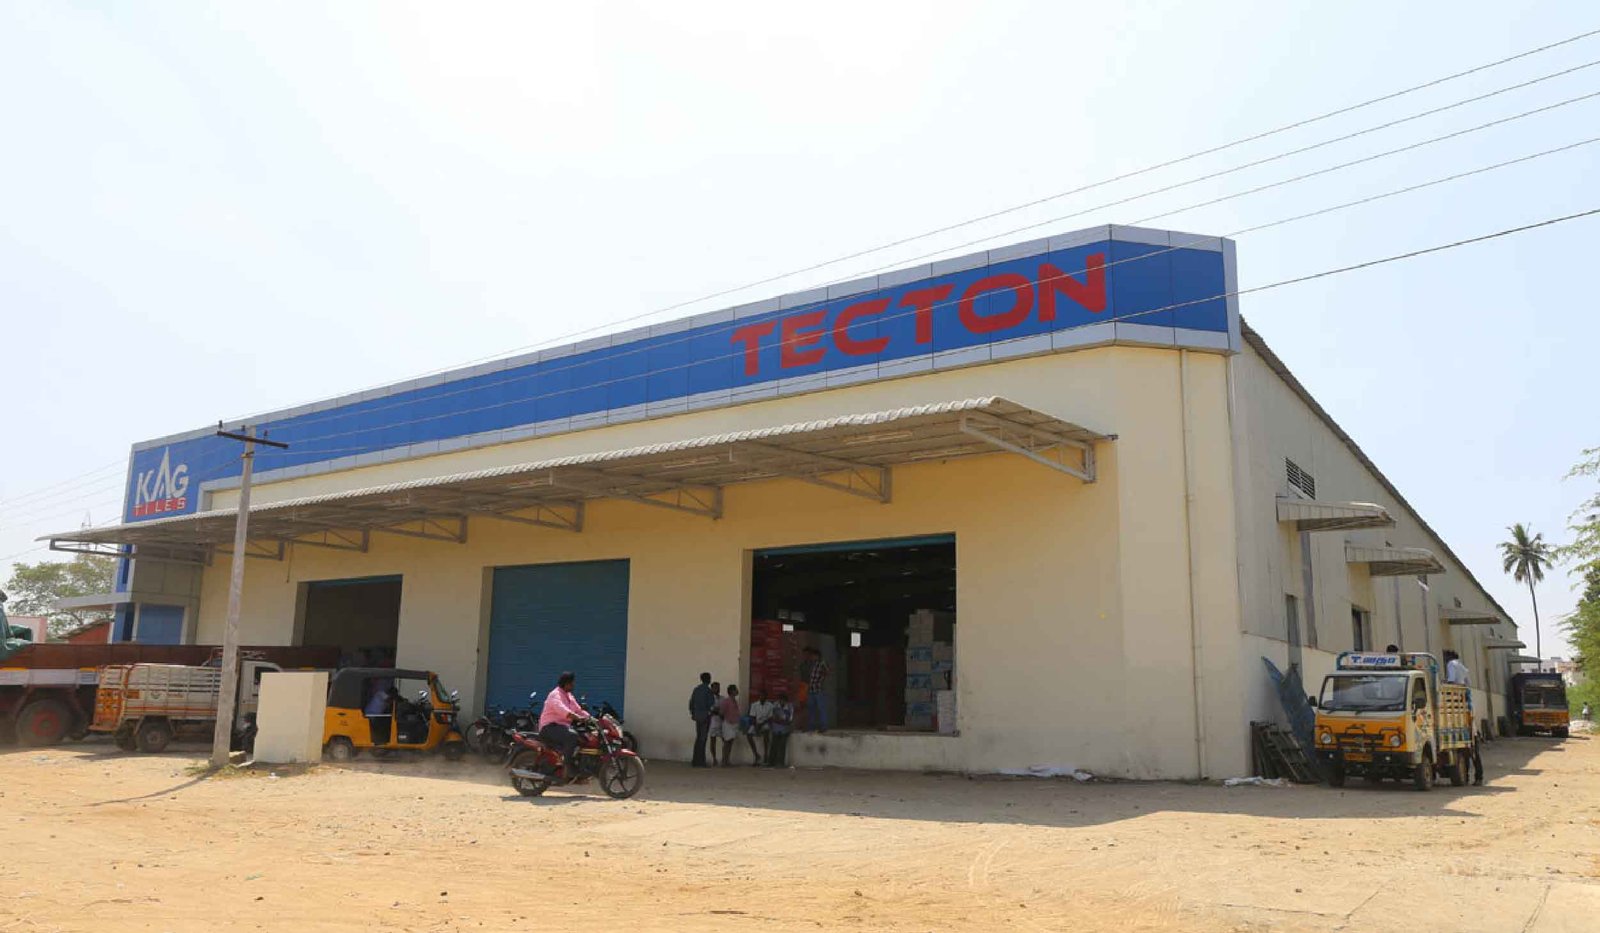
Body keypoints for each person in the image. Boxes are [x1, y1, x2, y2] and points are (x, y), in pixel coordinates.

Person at [537, 671, 591, 778]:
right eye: (572, 683)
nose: (573, 685)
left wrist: (591, 718)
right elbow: (562, 709)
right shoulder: (555, 694)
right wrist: (577, 717)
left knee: (583, 737)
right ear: (566, 683)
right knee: (572, 736)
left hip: (561, 727)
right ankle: (567, 767)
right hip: (549, 727)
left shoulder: (569, 696)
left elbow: (578, 710)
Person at [1441, 651, 1484, 785]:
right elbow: (1468, 683)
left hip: (1457, 698)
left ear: (1448, 657)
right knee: (1472, 752)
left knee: (1468, 752)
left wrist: (1443, 684)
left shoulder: (1451, 664)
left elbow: (1451, 680)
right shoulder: (1463, 667)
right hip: (1467, 705)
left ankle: (1468, 776)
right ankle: (1477, 777)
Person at [688, 672, 715, 768]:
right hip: (705, 716)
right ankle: (701, 761)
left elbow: (691, 703)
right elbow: (711, 705)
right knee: (703, 739)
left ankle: (695, 760)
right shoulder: (708, 691)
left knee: (698, 738)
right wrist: (710, 713)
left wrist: (693, 713)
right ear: (708, 679)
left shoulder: (696, 690)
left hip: (697, 716)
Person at [802, 648, 829, 732]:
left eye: (813, 656)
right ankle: (810, 726)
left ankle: (823, 726)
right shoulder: (812, 664)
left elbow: (827, 671)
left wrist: (821, 679)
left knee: (821, 708)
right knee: (811, 709)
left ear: (817, 656)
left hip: (818, 689)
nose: (812, 657)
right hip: (811, 689)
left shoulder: (822, 663)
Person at [364, 676, 396, 745]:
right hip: (371, 714)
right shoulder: (381, 694)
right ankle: (379, 741)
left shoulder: (383, 695)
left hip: (376, 715)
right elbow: (390, 700)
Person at [717, 685, 743, 767]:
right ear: (732, 691)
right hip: (728, 723)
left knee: (730, 742)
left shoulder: (735, 701)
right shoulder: (726, 701)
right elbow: (721, 713)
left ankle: (727, 760)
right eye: (735, 690)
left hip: (734, 723)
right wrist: (726, 720)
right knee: (727, 742)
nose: (737, 691)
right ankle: (724, 760)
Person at [766, 692, 794, 767]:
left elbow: (789, 720)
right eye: (780, 700)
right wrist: (779, 721)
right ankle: (771, 762)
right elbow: (772, 718)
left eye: (783, 701)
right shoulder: (775, 705)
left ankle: (780, 762)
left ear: (786, 701)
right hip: (776, 728)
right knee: (773, 745)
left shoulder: (790, 707)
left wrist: (780, 720)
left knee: (782, 745)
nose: (781, 702)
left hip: (785, 729)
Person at [745, 692, 773, 766]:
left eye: (763, 696)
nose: (762, 697)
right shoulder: (754, 705)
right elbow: (752, 717)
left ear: (766, 697)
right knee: (749, 735)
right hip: (756, 723)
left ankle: (766, 755)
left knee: (766, 734)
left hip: (765, 723)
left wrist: (761, 724)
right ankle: (756, 754)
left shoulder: (770, 705)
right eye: (761, 696)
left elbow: (770, 718)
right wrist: (756, 726)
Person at [707, 682, 724, 765]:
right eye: (716, 688)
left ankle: (724, 758)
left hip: (722, 722)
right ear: (712, 689)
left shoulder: (722, 698)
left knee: (725, 740)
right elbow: (710, 710)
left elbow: (723, 709)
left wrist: (718, 711)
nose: (717, 689)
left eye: (718, 687)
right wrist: (717, 711)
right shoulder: (709, 699)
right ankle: (714, 758)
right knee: (713, 740)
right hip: (713, 722)